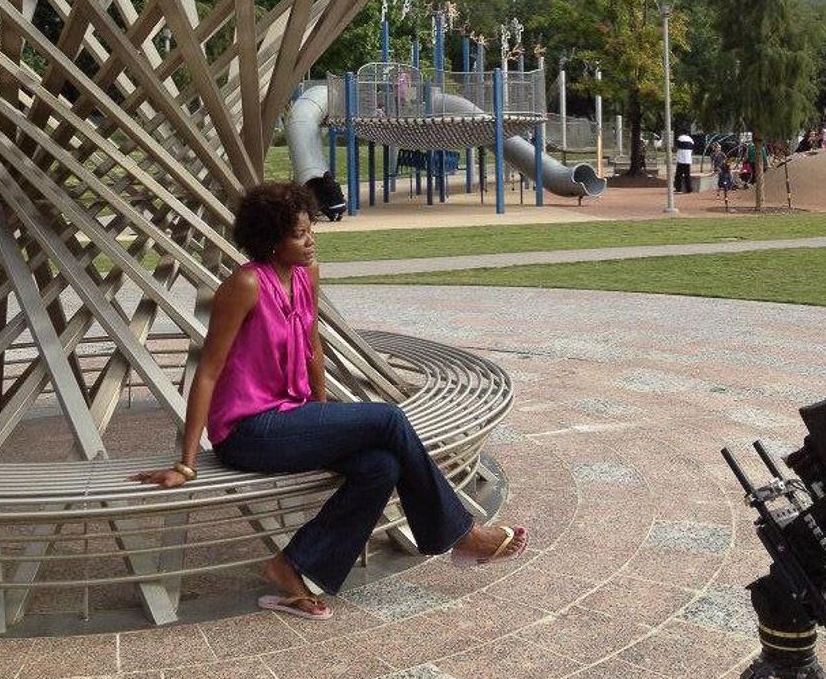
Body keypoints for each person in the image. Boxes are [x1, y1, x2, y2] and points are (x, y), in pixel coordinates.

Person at [131, 182, 528, 620]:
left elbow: (312, 347)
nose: (310, 240)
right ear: (271, 240)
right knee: (389, 420)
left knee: (382, 466)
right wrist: (186, 463)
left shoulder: (307, 274)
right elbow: (207, 372)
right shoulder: (245, 285)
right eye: (299, 234)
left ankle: (292, 566)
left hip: (293, 418)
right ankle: (460, 536)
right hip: (247, 431)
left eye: (310, 229)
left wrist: (323, 418)